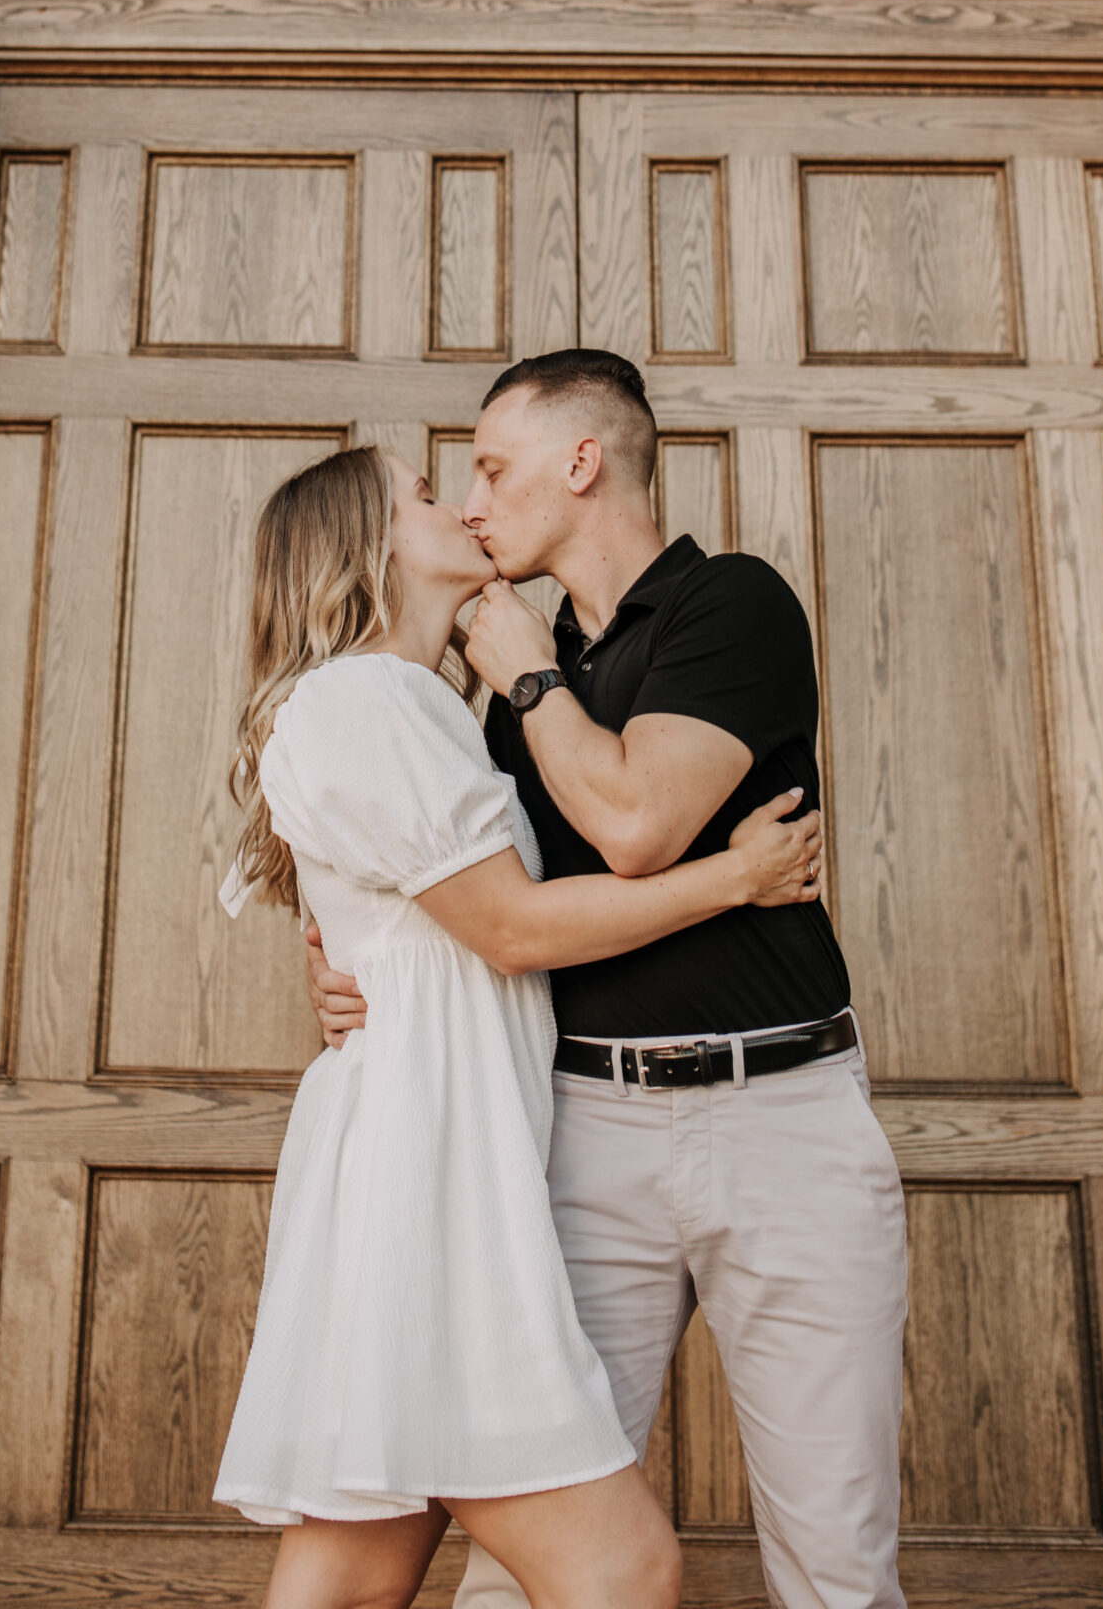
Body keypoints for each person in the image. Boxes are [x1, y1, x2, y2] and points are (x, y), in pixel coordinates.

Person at [307, 354, 909, 1609]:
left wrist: (531, 677)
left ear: (583, 462)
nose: (472, 502)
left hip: (779, 1117)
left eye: (491, 467)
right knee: (529, 1555)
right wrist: (352, 972)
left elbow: (637, 825)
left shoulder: (731, 606)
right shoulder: (485, 689)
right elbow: (462, 891)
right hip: (578, 1134)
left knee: (837, 1557)